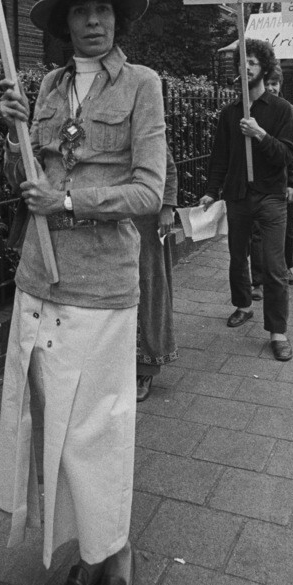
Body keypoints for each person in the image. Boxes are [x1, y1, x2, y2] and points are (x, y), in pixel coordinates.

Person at [0, 0, 166, 585]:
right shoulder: (44, 85)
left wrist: (68, 198)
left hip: (101, 287)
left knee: (99, 434)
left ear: (116, 19)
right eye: (79, 10)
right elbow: (24, 179)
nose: (93, 21)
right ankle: (84, 559)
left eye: (103, 10)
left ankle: (115, 566)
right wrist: (12, 138)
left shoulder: (144, 85)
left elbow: (149, 192)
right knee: (54, 437)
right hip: (39, 279)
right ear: (63, 22)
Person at [199, 39, 293, 362]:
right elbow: (219, 157)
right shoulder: (230, 113)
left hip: (270, 196)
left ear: (264, 68)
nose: (248, 67)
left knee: (273, 264)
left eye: (253, 61)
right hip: (238, 195)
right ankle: (243, 304)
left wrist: (260, 134)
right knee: (237, 256)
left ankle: (278, 332)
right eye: (243, 62)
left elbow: (286, 155)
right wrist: (212, 192)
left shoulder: (282, 111)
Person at [250, 64, 293, 289]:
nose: (271, 88)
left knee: (286, 228)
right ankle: (258, 276)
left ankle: (285, 265)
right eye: (268, 83)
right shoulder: (252, 110)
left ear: (281, 85)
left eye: (275, 84)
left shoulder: (292, 112)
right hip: (259, 182)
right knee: (256, 232)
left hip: (282, 182)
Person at [135, 148, 179, 403]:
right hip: (109, 218)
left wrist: (167, 207)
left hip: (145, 220)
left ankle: (145, 369)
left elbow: (167, 165)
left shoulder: (142, 111)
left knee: (149, 289)